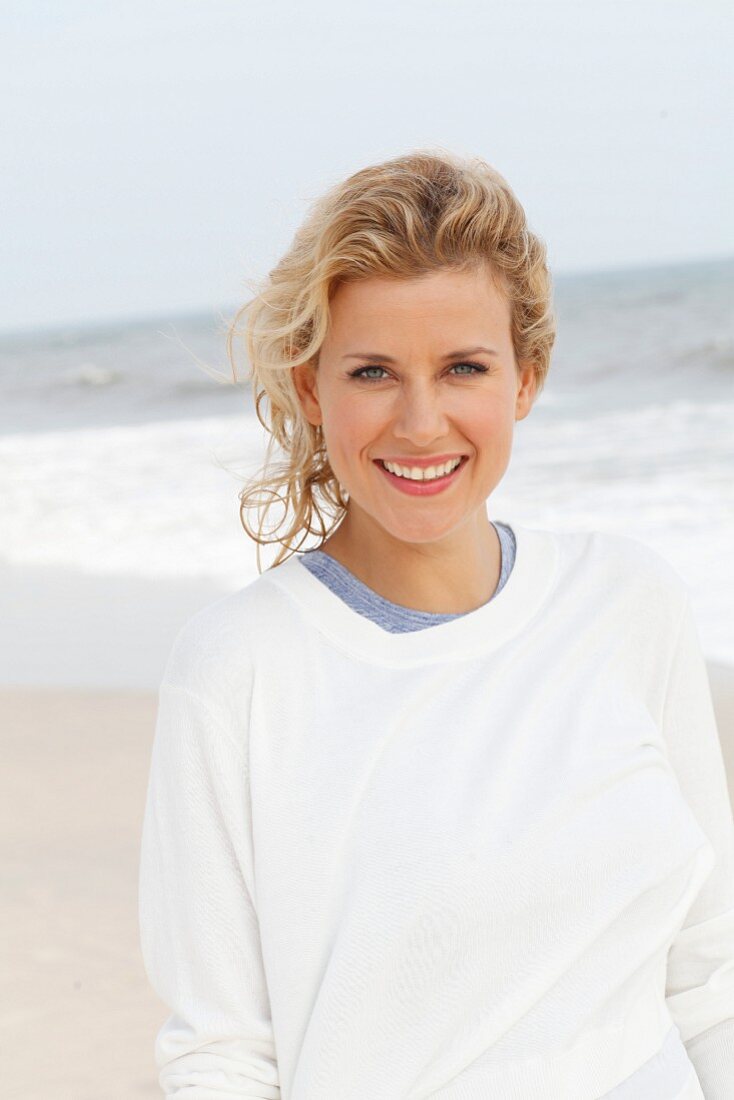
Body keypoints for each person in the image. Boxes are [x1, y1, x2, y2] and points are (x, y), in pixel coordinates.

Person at [138, 150, 734, 1097]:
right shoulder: (238, 670)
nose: (421, 424)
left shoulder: (628, 603)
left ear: (525, 380)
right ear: (309, 387)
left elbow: (710, 974)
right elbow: (220, 1056)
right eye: (373, 371)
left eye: (464, 367)